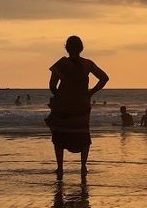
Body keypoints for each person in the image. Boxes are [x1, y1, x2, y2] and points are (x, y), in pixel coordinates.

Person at [46, 35, 109, 179]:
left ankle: (60, 167)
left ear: (67, 48)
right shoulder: (88, 64)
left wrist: (59, 96)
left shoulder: (61, 63)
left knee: (59, 135)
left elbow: (51, 85)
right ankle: (83, 166)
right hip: (82, 105)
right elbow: (104, 78)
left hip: (64, 106)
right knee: (83, 134)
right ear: (81, 48)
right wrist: (91, 92)